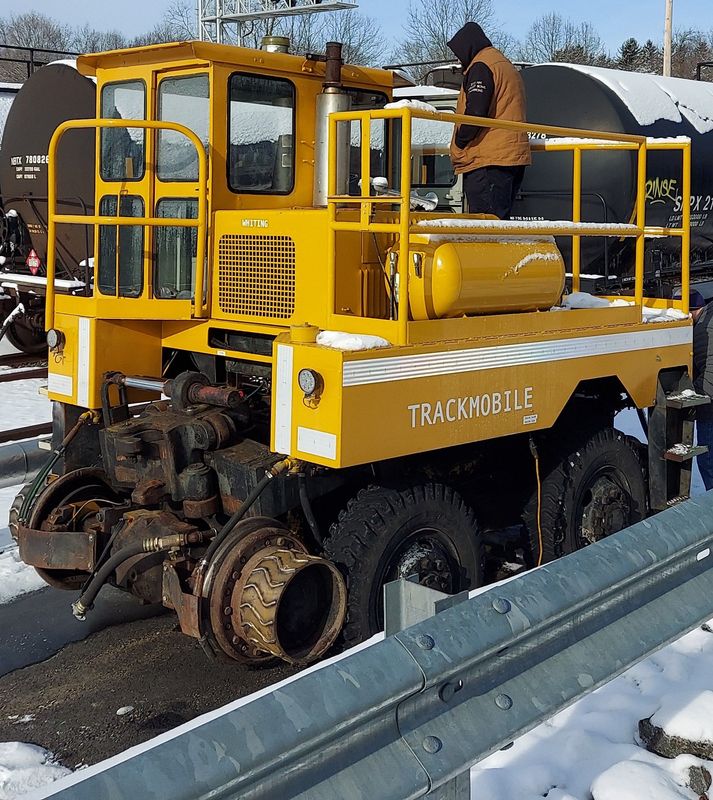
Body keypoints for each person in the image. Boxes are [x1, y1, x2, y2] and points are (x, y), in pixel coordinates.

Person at [447, 22, 531, 220]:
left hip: (487, 160)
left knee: (486, 228)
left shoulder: (481, 66)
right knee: (500, 226)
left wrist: (460, 141)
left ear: (468, 47)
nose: (459, 60)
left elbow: (475, 111)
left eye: (459, 53)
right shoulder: (503, 64)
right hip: (510, 157)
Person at [687, 288, 713, 489]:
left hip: (709, 405)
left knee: (707, 460)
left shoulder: (702, 330)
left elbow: (709, 374)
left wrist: (694, 396)